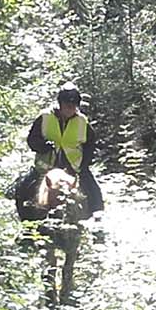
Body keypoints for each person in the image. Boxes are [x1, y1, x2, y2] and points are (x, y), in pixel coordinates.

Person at [24, 82, 103, 216]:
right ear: (60, 104)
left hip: (74, 167)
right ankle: (26, 224)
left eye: (73, 106)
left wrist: (84, 163)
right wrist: (43, 146)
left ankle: (97, 223)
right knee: (23, 190)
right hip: (45, 166)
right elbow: (32, 140)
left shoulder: (82, 122)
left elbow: (90, 144)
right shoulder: (44, 117)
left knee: (95, 195)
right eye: (67, 105)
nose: (70, 109)